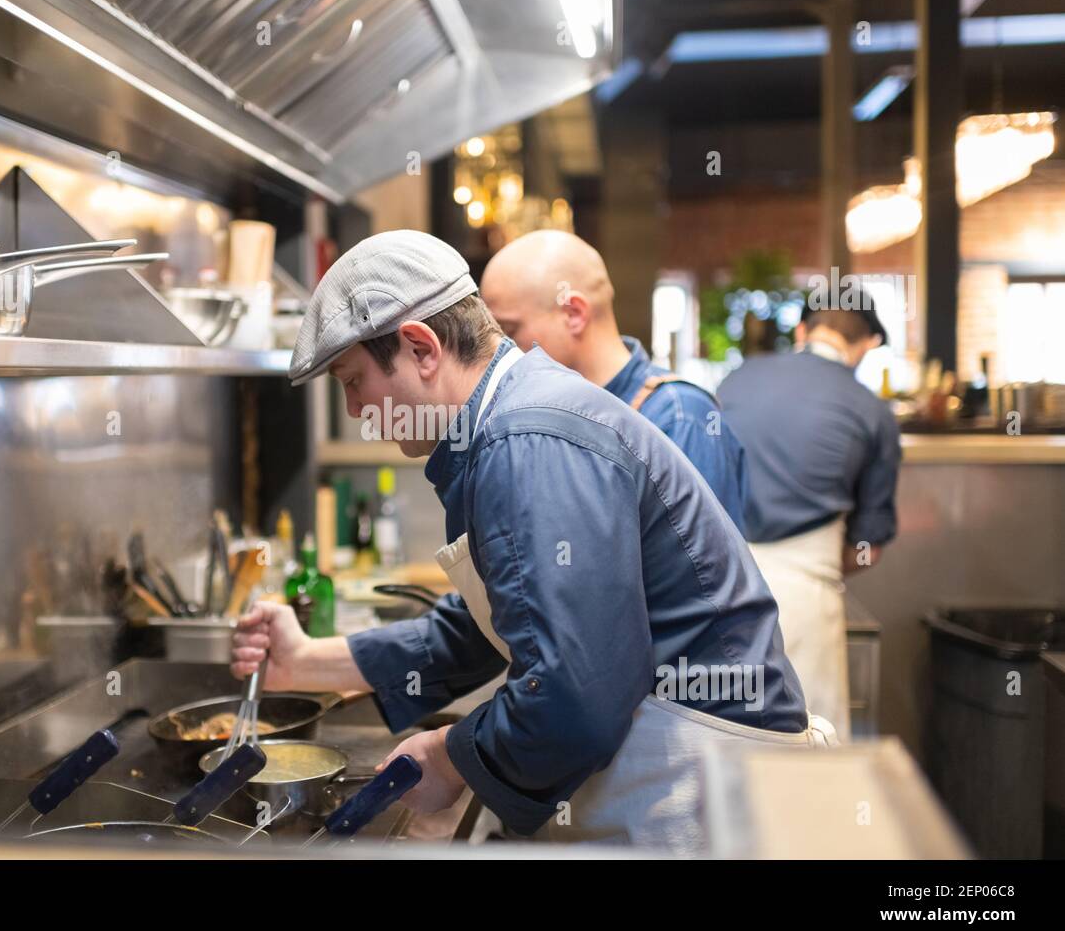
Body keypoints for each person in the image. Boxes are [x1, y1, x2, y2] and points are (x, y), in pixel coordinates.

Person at [233, 230, 830, 849]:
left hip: (702, 789)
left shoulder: (527, 440)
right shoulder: (509, 422)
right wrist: (305, 661)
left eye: (352, 381)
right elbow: (480, 629)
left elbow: (576, 697)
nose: (356, 409)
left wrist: (448, 755)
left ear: (421, 348)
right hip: (664, 777)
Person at [717, 291, 902, 739]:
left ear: (803, 331)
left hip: (719, 594)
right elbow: (866, 550)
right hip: (807, 604)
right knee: (808, 753)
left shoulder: (735, 380)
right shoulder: (872, 412)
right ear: (866, 345)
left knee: (724, 745)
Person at [480, 230, 747, 532]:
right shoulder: (546, 415)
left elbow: (704, 570)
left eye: (510, 330)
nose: (500, 351)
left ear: (574, 314)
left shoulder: (680, 418)